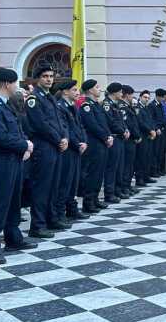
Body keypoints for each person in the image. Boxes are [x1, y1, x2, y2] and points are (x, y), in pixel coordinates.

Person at [0, 68, 37, 265]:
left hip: (13, 159)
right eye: (15, 83)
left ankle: (13, 238)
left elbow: (17, 130)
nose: (16, 87)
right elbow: (0, 137)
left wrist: (25, 144)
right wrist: (24, 145)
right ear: (6, 84)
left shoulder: (5, 104)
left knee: (13, 201)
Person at [25, 63, 68, 238]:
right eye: (45, 76)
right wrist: (59, 139)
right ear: (37, 79)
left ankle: (51, 218)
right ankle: (37, 225)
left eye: (51, 76)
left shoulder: (50, 97)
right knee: (41, 187)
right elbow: (40, 124)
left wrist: (65, 137)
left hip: (56, 146)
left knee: (53, 185)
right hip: (43, 146)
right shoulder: (34, 98)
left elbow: (60, 122)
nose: (49, 79)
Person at [53, 79, 87, 223]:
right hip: (68, 150)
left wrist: (84, 141)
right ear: (65, 92)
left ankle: (72, 209)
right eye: (74, 90)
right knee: (65, 182)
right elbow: (66, 130)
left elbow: (80, 127)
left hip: (76, 149)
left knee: (74, 182)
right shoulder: (60, 107)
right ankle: (60, 213)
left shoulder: (73, 106)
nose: (78, 92)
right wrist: (77, 144)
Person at [79, 79, 112, 213]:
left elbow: (104, 123)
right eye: (97, 87)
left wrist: (109, 136)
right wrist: (105, 137)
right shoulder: (86, 105)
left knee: (99, 173)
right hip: (94, 143)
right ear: (90, 90)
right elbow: (92, 125)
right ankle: (88, 202)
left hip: (102, 143)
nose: (100, 89)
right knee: (92, 173)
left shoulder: (97, 105)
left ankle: (95, 199)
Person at [103, 82, 127, 203]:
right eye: (120, 92)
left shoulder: (115, 104)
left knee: (119, 166)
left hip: (120, 138)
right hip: (114, 137)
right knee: (112, 167)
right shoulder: (107, 104)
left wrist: (125, 130)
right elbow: (111, 122)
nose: (122, 94)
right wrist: (122, 131)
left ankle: (118, 190)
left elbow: (121, 121)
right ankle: (109, 193)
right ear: (115, 92)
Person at [118, 85, 140, 197]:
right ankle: (124, 186)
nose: (132, 97)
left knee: (130, 164)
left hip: (132, 139)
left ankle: (127, 185)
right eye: (131, 95)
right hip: (128, 139)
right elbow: (129, 124)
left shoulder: (128, 106)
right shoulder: (122, 106)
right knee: (126, 165)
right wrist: (136, 135)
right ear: (127, 95)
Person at [135, 90, 157, 187]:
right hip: (142, 135)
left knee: (148, 157)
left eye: (148, 98)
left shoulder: (147, 108)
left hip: (149, 136)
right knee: (141, 158)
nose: (147, 99)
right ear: (140, 97)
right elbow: (140, 122)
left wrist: (153, 130)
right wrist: (150, 130)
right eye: (145, 97)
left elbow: (151, 121)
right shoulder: (137, 108)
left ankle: (146, 176)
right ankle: (139, 178)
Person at [149, 89, 166, 176]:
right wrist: (156, 128)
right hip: (157, 131)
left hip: (163, 130)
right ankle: (153, 170)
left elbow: (163, 117)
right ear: (158, 96)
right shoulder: (152, 105)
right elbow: (152, 119)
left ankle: (159, 169)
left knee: (161, 151)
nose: (164, 99)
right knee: (155, 152)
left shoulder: (161, 105)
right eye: (163, 97)